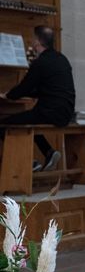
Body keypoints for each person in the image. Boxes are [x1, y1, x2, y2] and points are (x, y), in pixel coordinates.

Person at [0, 26, 75, 172]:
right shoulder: (61, 58)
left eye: (34, 39)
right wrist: (27, 93)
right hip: (65, 112)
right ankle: (49, 152)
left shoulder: (41, 62)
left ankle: (30, 162)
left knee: (4, 125)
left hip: (50, 112)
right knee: (30, 119)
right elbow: (47, 87)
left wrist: (7, 95)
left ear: (37, 42)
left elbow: (25, 87)